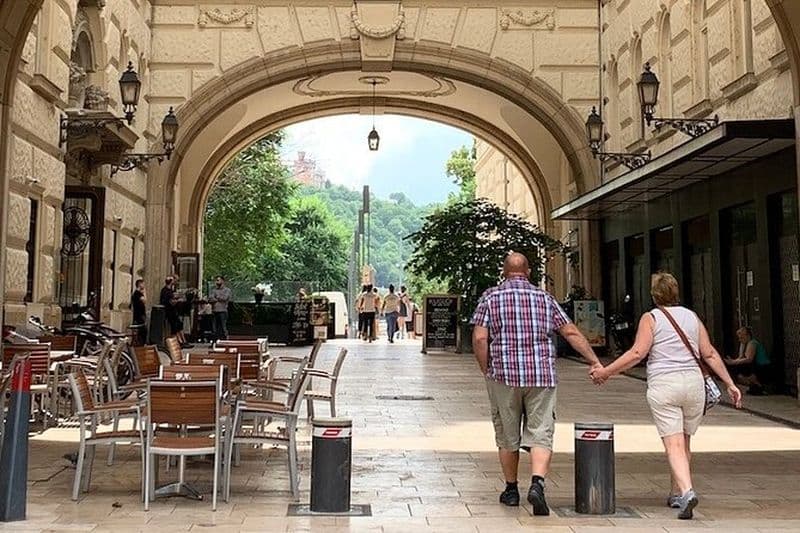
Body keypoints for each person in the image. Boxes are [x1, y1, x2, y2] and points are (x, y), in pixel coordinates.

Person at [590, 272, 742, 520]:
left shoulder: (651, 318)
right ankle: (676, 492)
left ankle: (687, 491)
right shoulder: (692, 317)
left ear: (654, 295)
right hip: (693, 385)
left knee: (673, 444)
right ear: (676, 292)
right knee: (685, 441)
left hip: (665, 384)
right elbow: (710, 353)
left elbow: (638, 352)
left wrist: (606, 372)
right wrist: (729, 383)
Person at [471, 252, 603, 515]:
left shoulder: (491, 297)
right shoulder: (544, 298)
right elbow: (570, 332)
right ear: (528, 272)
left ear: (504, 271)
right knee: (541, 430)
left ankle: (511, 490)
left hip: (504, 376)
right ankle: (538, 484)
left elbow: (479, 338)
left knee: (507, 434)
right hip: (541, 376)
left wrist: (486, 369)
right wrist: (594, 361)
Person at [724, 326, 771, 395]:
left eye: (742, 337)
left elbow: (749, 359)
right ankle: (753, 383)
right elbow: (741, 357)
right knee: (734, 367)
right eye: (739, 338)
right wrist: (733, 361)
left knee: (737, 368)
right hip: (755, 366)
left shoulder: (752, 343)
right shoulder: (745, 343)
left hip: (762, 367)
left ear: (747, 336)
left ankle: (756, 382)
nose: (740, 340)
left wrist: (733, 362)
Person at [160, 276, 191, 348]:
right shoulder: (166, 291)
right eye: (174, 280)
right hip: (169, 311)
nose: (175, 281)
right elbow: (170, 302)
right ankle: (179, 342)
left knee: (178, 325)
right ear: (171, 281)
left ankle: (183, 341)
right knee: (175, 327)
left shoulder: (170, 290)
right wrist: (178, 300)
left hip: (173, 311)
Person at [209, 275, 232, 340]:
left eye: (218, 280)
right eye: (216, 280)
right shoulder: (213, 290)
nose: (217, 282)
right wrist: (217, 298)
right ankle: (215, 341)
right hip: (214, 310)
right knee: (214, 328)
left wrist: (216, 297)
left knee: (223, 327)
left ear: (222, 281)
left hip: (223, 310)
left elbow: (225, 298)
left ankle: (225, 340)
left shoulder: (227, 290)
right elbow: (210, 299)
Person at [130, 279, 147, 345]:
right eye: (143, 284)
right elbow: (145, 300)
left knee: (141, 330)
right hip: (139, 315)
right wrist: (144, 292)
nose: (144, 285)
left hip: (139, 314)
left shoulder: (136, 293)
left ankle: (139, 343)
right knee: (142, 330)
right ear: (139, 284)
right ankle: (140, 344)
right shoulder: (137, 293)